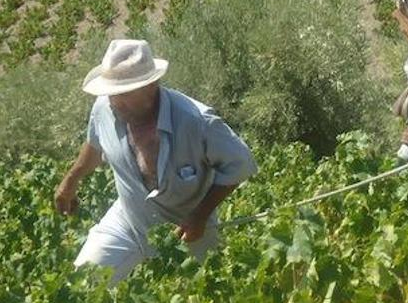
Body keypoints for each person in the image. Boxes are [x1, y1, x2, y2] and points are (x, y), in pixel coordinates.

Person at [54, 39, 257, 284]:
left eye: (123, 93)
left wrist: (200, 216)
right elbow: (95, 145)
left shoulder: (197, 122)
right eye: (110, 92)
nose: (114, 102)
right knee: (82, 286)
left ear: (151, 86)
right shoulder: (104, 109)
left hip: (187, 226)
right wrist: (70, 180)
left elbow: (240, 164)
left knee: (207, 293)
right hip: (130, 218)